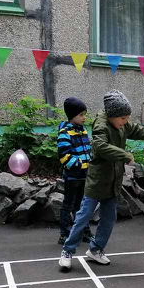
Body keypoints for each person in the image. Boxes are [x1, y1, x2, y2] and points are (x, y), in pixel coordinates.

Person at [59, 90, 144, 270]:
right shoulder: (101, 126)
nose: (125, 121)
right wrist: (125, 155)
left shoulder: (120, 122)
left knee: (109, 218)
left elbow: (135, 129)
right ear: (113, 115)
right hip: (97, 179)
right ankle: (67, 250)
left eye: (127, 118)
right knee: (84, 215)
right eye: (123, 118)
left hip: (114, 179)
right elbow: (100, 146)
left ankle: (95, 249)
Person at [57, 97, 93, 245]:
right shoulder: (65, 132)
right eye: (81, 115)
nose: (84, 117)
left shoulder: (83, 130)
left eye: (85, 114)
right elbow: (63, 155)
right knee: (68, 205)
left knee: (82, 206)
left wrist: (89, 161)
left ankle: (84, 231)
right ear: (72, 115)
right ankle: (65, 234)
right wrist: (78, 165)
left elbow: (87, 149)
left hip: (84, 174)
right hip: (73, 176)